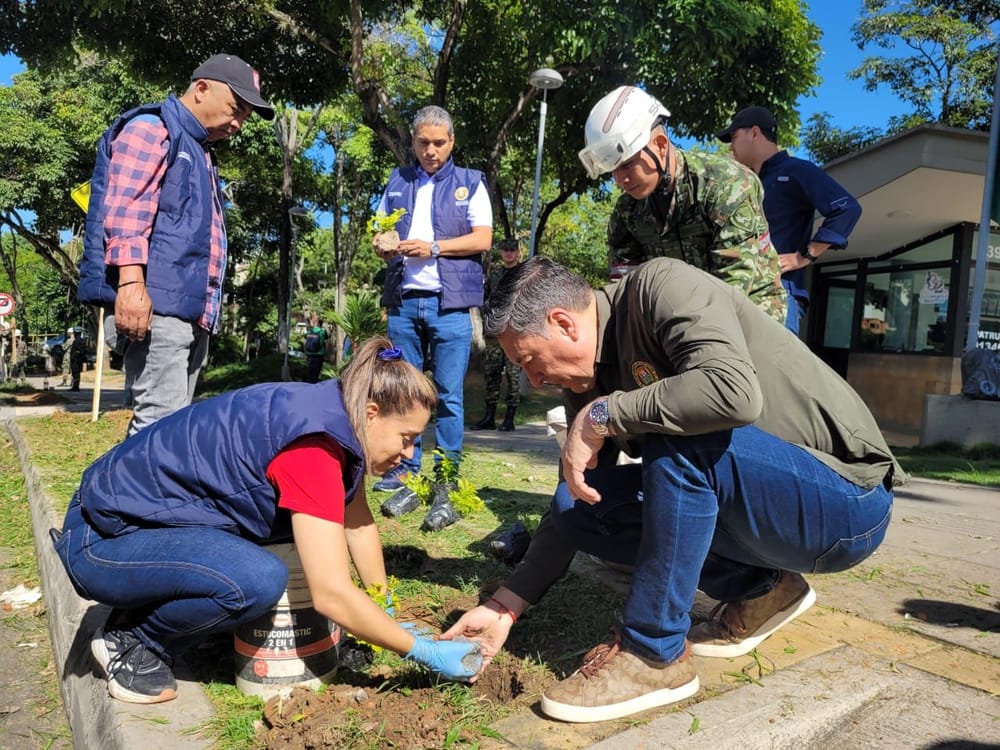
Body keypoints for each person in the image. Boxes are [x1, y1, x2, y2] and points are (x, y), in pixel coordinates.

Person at [443, 256, 902, 723]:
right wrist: (506, 604)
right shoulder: (590, 378)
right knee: (576, 508)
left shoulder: (662, 287)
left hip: (847, 502)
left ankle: (652, 654)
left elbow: (731, 392)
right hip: (764, 514)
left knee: (678, 433)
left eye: (529, 361)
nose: (535, 381)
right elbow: (576, 492)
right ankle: (764, 590)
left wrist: (605, 414)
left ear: (564, 323)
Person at [51, 337, 482, 705]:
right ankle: (134, 640)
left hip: (129, 523)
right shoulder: (314, 449)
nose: (409, 454)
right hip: (101, 540)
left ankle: (166, 613)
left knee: (296, 544)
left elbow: (358, 522)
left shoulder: (335, 413)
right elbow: (330, 594)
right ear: (372, 413)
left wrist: (381, 603)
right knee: (256, 580)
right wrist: (420, 651)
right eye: (407, 438)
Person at [76, 54, 275, 435]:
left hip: (188, 311)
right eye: (236, 109)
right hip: (156, 308)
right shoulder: (152, 129)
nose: (238, 123)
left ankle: (132, 477)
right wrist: (131, 284)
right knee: (160, 428)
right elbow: (126, 212)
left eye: (246, 117)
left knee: (169, 431)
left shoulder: (199, 150)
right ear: (201, 89)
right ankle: (125, 479)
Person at [579, 86, 787, 324]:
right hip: (680, 319)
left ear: (660, 145)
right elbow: (625, 288)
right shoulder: (627, 211)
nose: (619, 180)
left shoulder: (726, 186)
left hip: (751, 316)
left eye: (626, 164)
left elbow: (732, 286)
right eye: (613, 170)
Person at [371, 105, 493, 491]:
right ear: (413, 141)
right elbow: (379, 231)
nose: (431, 150)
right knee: (404, 391)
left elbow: (483, 238)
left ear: (452, 141)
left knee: (449, 395)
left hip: (450, 305)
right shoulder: (397, 181)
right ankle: (404, 468)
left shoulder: (471, 182)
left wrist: (433, 248)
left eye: (439, 142)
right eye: (423, 142)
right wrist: (381, 244)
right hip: (404, 303)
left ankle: (446, 474)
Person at [717, 106, 862, 335]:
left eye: (734, 137)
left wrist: (804, 256)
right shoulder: (745, 182)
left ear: (754, 133)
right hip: (738, 292)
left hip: (779, 292)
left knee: (772, 359)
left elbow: (847, 208)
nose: (730, 146)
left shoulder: (797, 170)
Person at [472, 239, 523, 431]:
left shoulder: (524, 274)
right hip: (495, 334)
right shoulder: (494, 274)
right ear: (501, 252)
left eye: (512, 250)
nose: (509, 253)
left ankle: (509, 418)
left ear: (517, 252)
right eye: (505, 250)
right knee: (491, 374)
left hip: (515, 334)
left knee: (513, 376)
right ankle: (489, 417)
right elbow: (484, 299)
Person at [304, 313, 328, 383]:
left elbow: (305, 343)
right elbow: (326, 343)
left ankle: (308, 385)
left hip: (309, 354)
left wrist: (305, 352)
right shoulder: (322, 332)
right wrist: (325, 353)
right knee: (316, 373)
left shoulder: (309, 331)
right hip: (319, 355)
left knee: (309, 373)